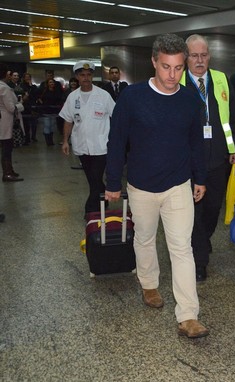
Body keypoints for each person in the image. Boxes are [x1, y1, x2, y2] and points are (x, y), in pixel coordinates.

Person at [105, 33, 209, 339]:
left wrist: (200, 177)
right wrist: (112, 181)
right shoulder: (132, 97)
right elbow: (117, 141)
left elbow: (196, 143)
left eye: (178, 68)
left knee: (182, 249)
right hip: (141, 186)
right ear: (154, 62)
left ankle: (188, 315)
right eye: (166, 67)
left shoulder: (191, 99)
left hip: (178, 185)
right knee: (145, 239)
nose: (172, 75)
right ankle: (149, 284)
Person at [180, 34, 235, 282]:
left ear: (209, 56)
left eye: (203, 55)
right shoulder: (178, 81)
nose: (199, 60)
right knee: (193, 210)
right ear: (186, 57)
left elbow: (232, 117)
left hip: (218, 156)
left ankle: (202, 241)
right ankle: (200, 258)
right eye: (194, 55)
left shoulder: (221, 79)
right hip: (188, 158)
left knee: (214, 206)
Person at [59, 61, 115, 216]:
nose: (86, 78)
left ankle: (90, 210)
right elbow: (68, 120)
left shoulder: (103, 95)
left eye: (89, 75)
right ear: (77, 77)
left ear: (92, 76)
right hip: (82, 146)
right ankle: (104, 201)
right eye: (82, 75)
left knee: (95, 179)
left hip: (101, 146)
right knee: (93, 180)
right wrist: (65, 140)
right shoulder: (72, 97)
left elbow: (116, 117)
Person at [1, 63, 25, 182]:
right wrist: (21, 104)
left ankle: (9, 170)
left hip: (2, 121)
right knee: (7, 148)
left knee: (6, 147)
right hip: (5, 121)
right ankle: (7, 173)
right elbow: (11, 108)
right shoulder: (4, 87)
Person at [36, 77, 63, 146]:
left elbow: (59, 99)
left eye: (53, 82)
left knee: (52, 126)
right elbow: (39, 97)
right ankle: (48, 141)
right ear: (48, 84)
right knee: (47, 125)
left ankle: (51, 140)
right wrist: (42, 103)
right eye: (50, 82)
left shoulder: (56, 91)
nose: (52, 84)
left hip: (54, 111)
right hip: (46, 111)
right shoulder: (44, 91)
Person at [19, 73, 38, 144]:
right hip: (25, 107)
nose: (28, 78)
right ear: (24, 78)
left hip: (33, 106)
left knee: (34, 123)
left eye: (29, 77)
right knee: (25, 124)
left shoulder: (33, 86)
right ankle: (26, 138)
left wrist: (31, 87)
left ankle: (33, 136)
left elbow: (36, 95)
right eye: (26, 77)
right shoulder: (21, 86)